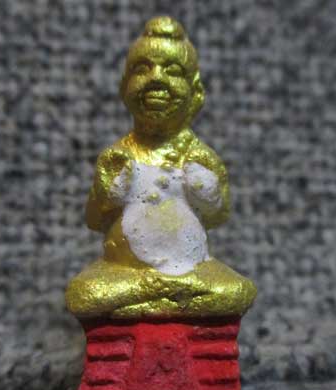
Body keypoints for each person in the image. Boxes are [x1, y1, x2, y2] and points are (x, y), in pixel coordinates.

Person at [66, 16, 256, 319]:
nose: (157, 79)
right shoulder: (117, 157)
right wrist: (107, 194)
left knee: (236, 291)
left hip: (191, 268)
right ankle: (163, 291)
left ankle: (154, 293)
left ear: (195, 91)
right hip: (124, 269)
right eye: (142, 69)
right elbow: (93, 219)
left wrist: (207, 192)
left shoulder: (199, 157)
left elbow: (219, 215)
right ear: (124, 87)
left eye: (173, 71)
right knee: (84, 294)